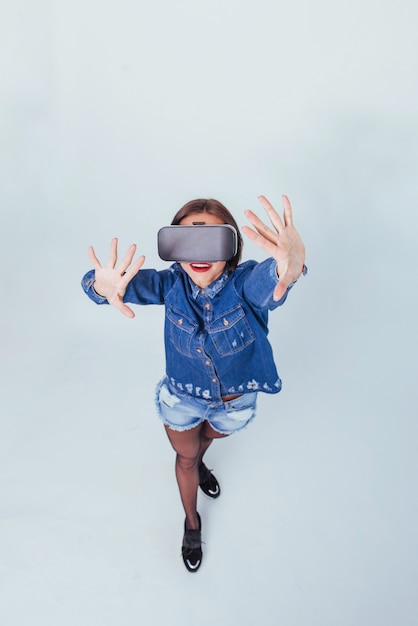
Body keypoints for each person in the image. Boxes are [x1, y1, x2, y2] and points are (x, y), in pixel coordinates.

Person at [81, 195, 306, 572]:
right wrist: (101, 287)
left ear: (232, 247)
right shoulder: (169, 285)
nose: (199, 253)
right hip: (183, 399)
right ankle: (191, 523)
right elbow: (106, 285)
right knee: (186, 456)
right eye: (187, 240)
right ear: (172, 247)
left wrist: (289, 270)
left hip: (234, 404)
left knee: (204, 443)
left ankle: (200, 461)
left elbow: (270, 283)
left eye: (212, 240)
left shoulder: (245, 283)